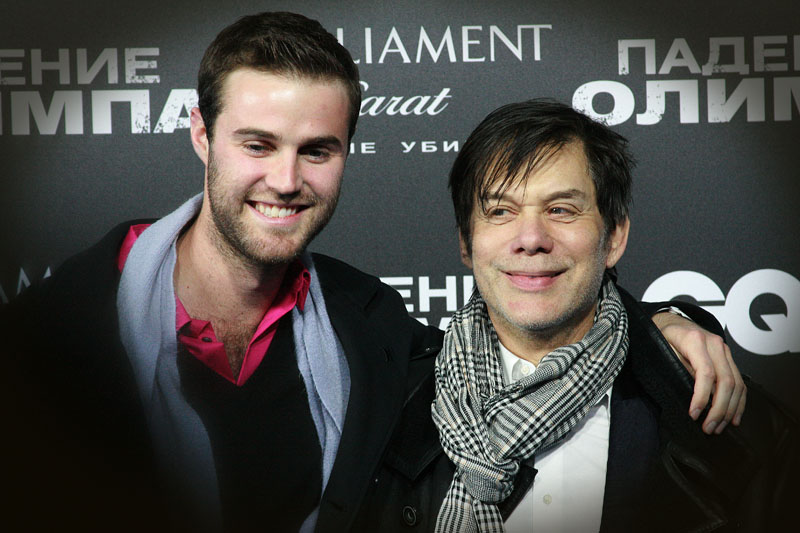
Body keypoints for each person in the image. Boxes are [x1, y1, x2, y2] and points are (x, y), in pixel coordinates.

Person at [0, 13, 747, 533]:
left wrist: (663, 330)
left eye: (317, 150)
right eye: (257, 144)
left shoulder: (375, 330)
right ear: (201, 134)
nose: (285, 180)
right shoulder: (42, 342)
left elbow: (541, 328)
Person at [354, 99, 798, 532]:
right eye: (501, 211)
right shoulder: (384, 413)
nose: (531, 238)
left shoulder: (740, 429)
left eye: (561, 210)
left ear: (614, 237)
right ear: (466, 244)